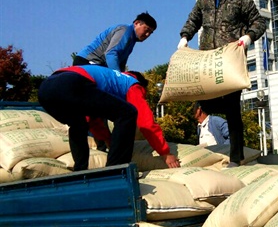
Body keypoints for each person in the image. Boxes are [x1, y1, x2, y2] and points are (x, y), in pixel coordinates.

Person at [177, 0, 267, 166]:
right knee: (201, 105)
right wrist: (185, 36)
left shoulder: (241, 0)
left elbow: (259, 22)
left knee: (233, 110)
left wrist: (248, 38)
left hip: (229, 62)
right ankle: (200, 153)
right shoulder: (204, 1)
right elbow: (193, 20)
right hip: (207, 62)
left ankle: (236, 157)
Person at [38, 65, 180, 171]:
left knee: (78, 124)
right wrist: (165, 152)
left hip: (45, 91)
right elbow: (146, 122)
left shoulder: (109, 79)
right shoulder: (132, 83)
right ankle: (116, 169)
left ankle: (80, 170)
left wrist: (107, 139)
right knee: (128, 113)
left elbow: (92, 119)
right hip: (71, 83)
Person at [74, 12, 157, 71]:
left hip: (98, 65)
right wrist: (119, 77)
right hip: (87, 62)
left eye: (150, 33)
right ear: (136, 23)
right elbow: (111, 53)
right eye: (146, 30)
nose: (147, 34)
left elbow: (121, 63)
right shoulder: (125, 30)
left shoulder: (132, 40)